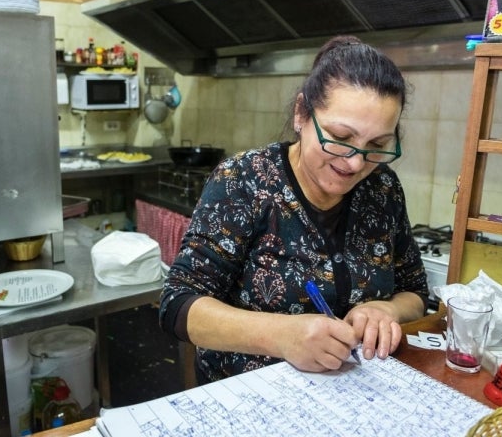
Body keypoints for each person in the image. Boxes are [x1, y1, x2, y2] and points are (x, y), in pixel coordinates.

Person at [159, 35, 429, 384]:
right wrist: (283, 336)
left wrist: (386, 309)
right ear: (302, 114)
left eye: (377, 146)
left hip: (354, 397)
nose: (355, 163)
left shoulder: (383, 188)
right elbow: (178, 304)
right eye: (340, 137)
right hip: (250, 396)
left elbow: (416, 293)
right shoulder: (244, 180)